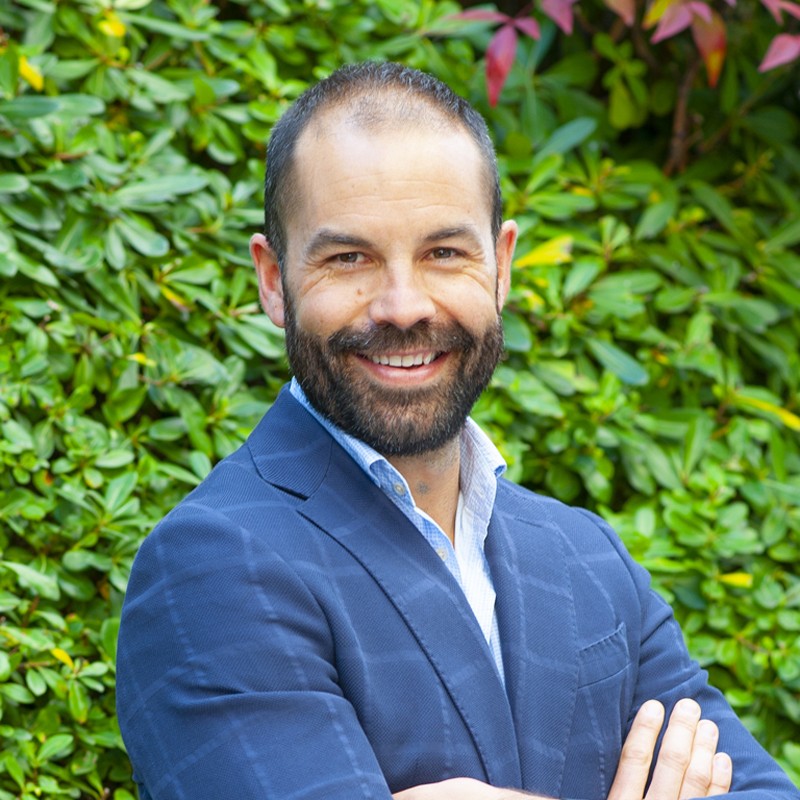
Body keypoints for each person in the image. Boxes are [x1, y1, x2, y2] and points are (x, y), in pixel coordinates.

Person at [115, 62, 799, 800]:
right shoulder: (212, 565)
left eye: (444, 253)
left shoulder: (588, 558)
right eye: (349, 258)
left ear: (500, 267)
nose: (404, 306)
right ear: (274, 279)